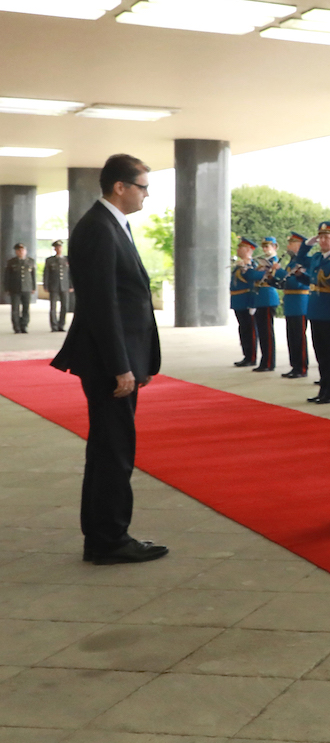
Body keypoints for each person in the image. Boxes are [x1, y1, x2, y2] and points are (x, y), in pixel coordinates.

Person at [51, 154, 165, 564]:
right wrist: (122, 365)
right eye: (143, 186)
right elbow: (101, 305)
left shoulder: (112, 225)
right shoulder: (99, 228)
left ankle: (103, 534)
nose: (147, 194)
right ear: (120, 186)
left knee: (108, 448)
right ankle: (109, 540)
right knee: (114, 450)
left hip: (118, 356)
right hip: (109, 362)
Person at [307, 221, 330, 404]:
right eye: (320, 237)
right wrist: (307, 245)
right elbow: (302, 263)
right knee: (320, 355)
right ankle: (323, 389)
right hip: (315, 311)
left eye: (327, 237)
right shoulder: (316, 258)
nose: (322, 241)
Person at [277, 231, 312, 378]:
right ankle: (295, 366)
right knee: (291, 337)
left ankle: (301, 367)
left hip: (300, 302)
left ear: (299, 245)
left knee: (299, 337)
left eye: (291, 243)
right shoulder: (291, 263)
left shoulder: (305, 262)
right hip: (291, 303)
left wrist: (278, 272)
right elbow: (285, 282)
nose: (288, 246)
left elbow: (298, 283)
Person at [245, 236, 280, 372]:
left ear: (275, 247)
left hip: (268, 297)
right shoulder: (262, 263)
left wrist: (250, 268)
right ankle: (265, 360)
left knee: (267, 332)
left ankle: (269, 362)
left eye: (268, 246)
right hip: (261, 298)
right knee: (262, 331)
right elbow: (250, 276)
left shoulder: (273, 261)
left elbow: (256, 276)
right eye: (264, 246)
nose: (265, 249)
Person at [229, 237, 259, 366]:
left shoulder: (251, 265)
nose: (238, 249)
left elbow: (253, 284)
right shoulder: (240, 264)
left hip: (246, 300)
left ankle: (251, 357)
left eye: (240, 247)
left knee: (249, 330)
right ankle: (246, 355)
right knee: (243, 329)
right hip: (238, 301)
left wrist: (252, 303)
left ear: (248, 250)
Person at [5, 243, 37, 333]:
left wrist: (33, 287)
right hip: (14, 289)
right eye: (19, 250)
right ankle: (16, 327)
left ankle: (24, 325)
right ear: (16, 252)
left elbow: (33, 276)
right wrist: (7, 288)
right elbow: (7, 276)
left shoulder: (30, 261)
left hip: (27, 288)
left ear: (25, 251)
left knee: (26, 308)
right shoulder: (11, 262)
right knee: (15, 309)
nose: (21, 252)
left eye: (23, 250)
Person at [43, 239, 71, 332]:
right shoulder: (50, 260)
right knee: (53, 307)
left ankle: (61, 325)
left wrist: (71, 285)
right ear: (54, 249)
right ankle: (54, 326)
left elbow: (70, 274)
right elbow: (46, 274)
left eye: (60, 247)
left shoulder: (67, 259)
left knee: (65, 306)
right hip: (54, 286)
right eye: (57, 247)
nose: (58, 249)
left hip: (65, 286)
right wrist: (46, 285)